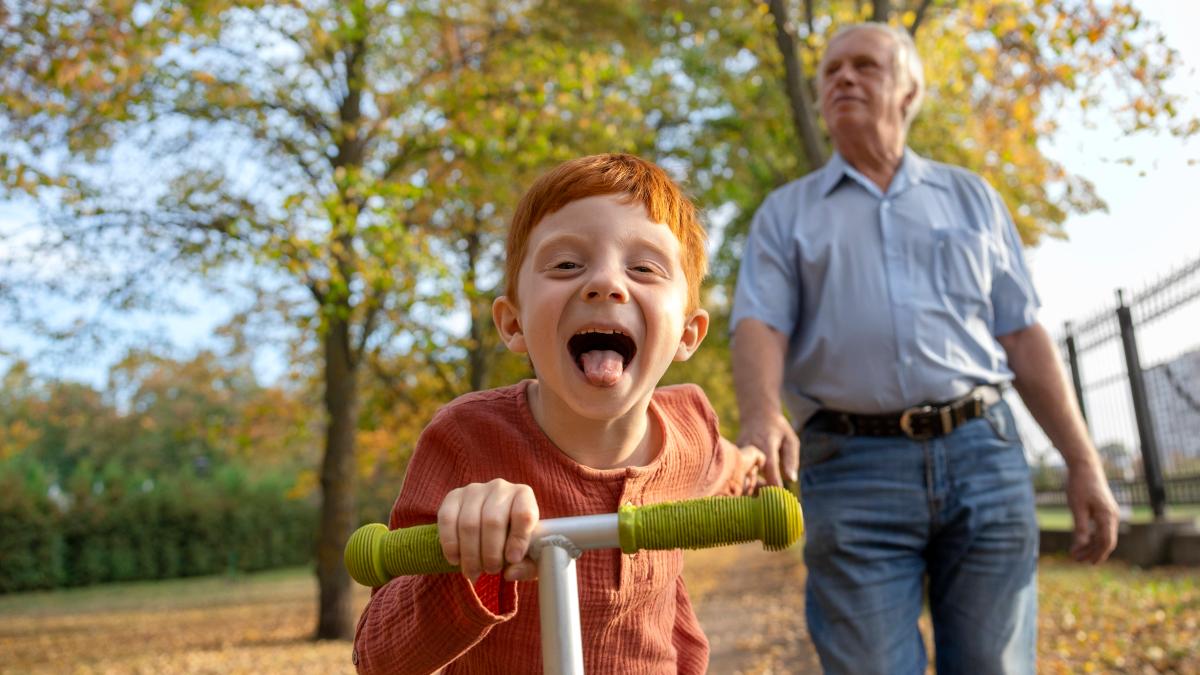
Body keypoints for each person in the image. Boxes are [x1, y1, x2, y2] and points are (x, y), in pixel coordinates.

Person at [730, 22, 1119, 674]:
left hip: (983, 454)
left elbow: (1022, 334)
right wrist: (761, 412)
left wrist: (1083, 461)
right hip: (850, 466)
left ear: (909, 92)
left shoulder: (973, 198)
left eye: (865, 66)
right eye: (830, 71)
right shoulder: (785, 214)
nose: (843, 78)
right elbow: (759, 321)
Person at [353, 153, 764, 674]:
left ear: (688, 333)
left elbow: (724, 468)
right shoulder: (466, 440)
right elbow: (378, 656)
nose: (606, 284)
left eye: (643, 268)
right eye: (567, 264)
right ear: (513, 324)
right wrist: (469, 563)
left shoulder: (691, 426)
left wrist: (754, 462)